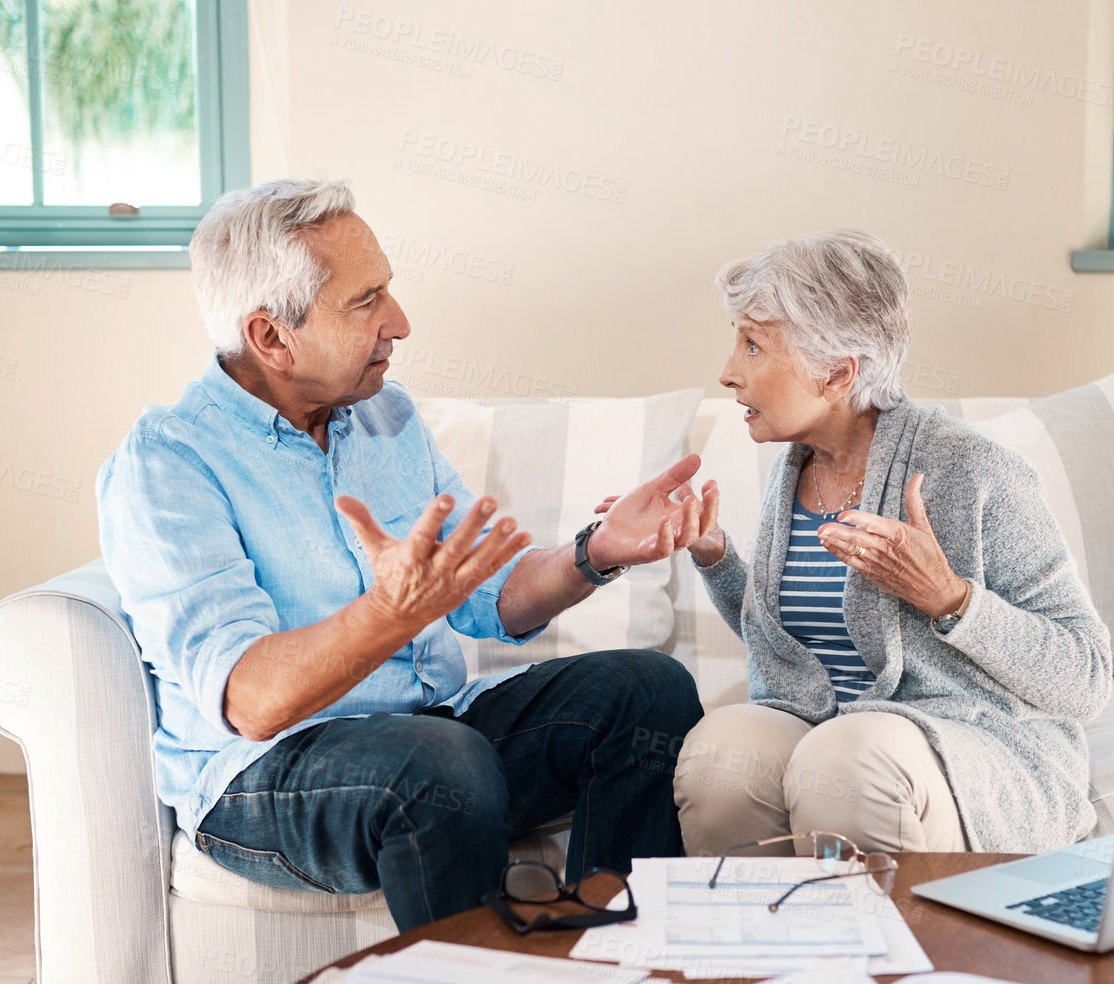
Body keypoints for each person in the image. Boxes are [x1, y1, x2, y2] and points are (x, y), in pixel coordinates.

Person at [96, 179, 709, 932]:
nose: (400, 323)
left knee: (647, 689)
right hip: (267, 779)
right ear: (271, 338)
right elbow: (251, 701)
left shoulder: (383, 415)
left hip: (436, 736)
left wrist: (595, 552)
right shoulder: (169, 464)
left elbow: (490, 592)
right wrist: (390, 615)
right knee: (440, 760)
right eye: (366, 302)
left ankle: (615, 956)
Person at [670, 230, 1112, 856]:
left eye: (752, 345)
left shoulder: (973, 471)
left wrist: (951, 599)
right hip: (832, 732)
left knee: (849, 761)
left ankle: (890, 952)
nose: (727, 372)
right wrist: (715, 556)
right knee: (723, 756)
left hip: (963, 740)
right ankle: (762, 948)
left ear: (837, 374)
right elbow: (795, 644)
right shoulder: (800, 464)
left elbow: (1085, 679)